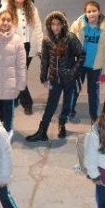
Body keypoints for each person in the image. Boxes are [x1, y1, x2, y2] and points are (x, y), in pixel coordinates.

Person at [27, 11, 85, 143]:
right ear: (49, 25)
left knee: (67, 103)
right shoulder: (47, 40)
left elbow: (81, 55)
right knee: (51, 104)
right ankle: (42, 131)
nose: (56, 27)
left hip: (69, 79)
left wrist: (73, 72)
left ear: (63, 24)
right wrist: (43, 78)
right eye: (53, 24)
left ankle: (62, 124)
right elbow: (45, 60)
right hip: (54, 79)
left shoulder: (70, 38)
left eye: (58, 24)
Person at [0, 0, 42, 115]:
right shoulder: (5, 8)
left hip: (28, 46)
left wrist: (39, 47)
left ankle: (16, 97)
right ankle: (27, 102)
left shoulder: (31, 7)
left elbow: (38, 27)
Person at [70, 0, 105, 123]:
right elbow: (69, 43)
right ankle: (70, 109)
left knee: (93, 92)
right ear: (85, 13)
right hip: (79, 64)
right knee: (75, 89)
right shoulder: (78, 25)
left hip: (95, 66)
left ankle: (94, 116)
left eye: (94, 11)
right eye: (89, 11)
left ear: (99, 12)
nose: (91, 14)